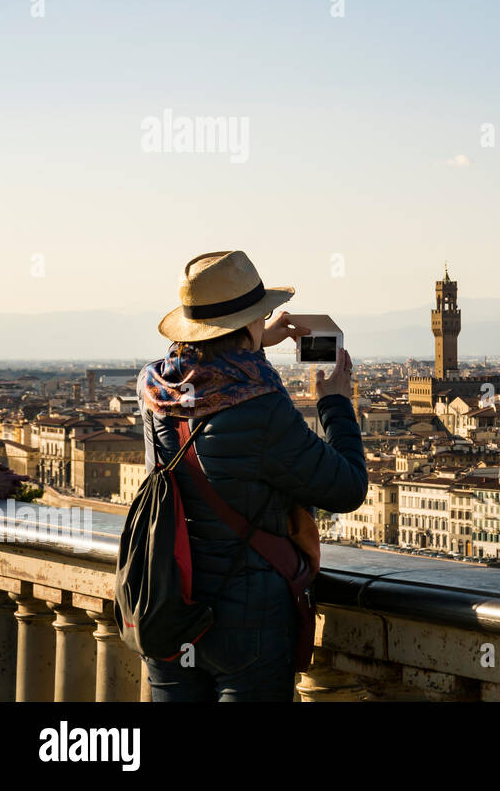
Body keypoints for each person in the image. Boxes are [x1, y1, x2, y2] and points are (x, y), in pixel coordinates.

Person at [137, 250, 367, 701]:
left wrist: (251, 341)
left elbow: (204, 375)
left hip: (167, 607)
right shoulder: (260, 404)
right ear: (248, 324)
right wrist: (336, 404)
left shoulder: (156, 392)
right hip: (248, 623)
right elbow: (347, 488)